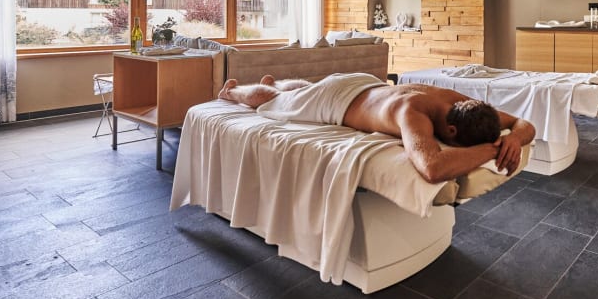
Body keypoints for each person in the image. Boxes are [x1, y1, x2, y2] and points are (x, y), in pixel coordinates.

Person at [218, 72, 536, 184]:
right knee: (275, 100)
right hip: (338, 101)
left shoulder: (459, 102)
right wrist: (492, 150)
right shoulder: (412, 113)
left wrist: (515, 138)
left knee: (306, 90)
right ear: (451, 132)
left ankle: (277, 82)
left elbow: (523, 123)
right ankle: (232, 92)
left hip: (363, 84)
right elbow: (433, 168)